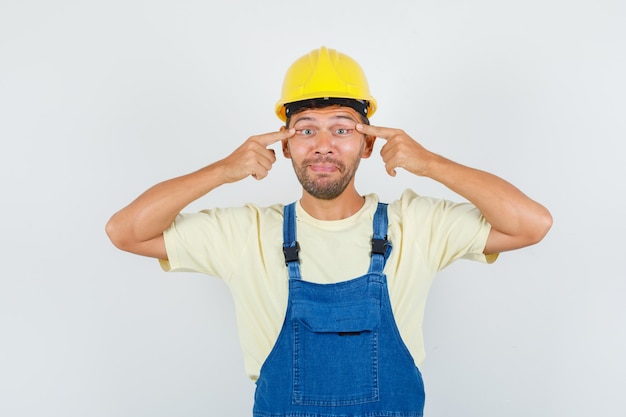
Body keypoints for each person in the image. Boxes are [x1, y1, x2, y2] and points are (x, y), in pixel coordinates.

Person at [106, 46, 552, 416]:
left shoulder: (416, 224)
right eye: (305, 130)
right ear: (283, 143)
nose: (323, 145)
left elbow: (532, 224)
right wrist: (223, 170)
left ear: (368, 142)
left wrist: (430, 163)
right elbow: (125, 231)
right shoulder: (245, 233)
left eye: (342, 128)